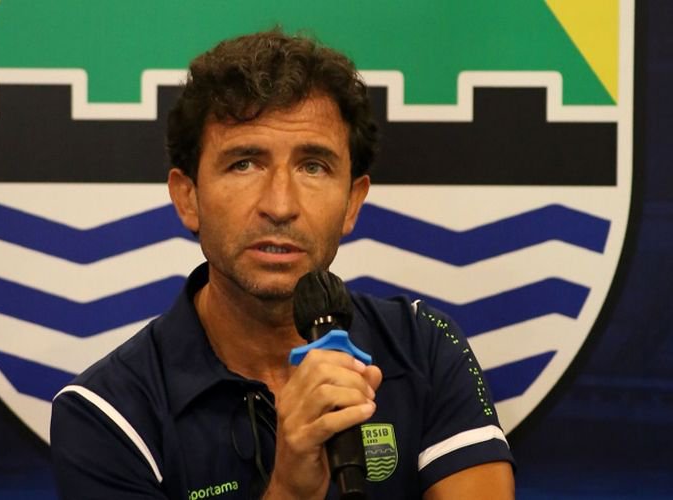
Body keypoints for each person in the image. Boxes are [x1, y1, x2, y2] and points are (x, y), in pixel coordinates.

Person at [50, 29, 515, 499]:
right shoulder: (105, 413)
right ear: (188, 197)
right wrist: (290, 488)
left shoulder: (425, 347)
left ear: (352, 203)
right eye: (244, 164)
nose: (280, 205)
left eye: (313, 166)